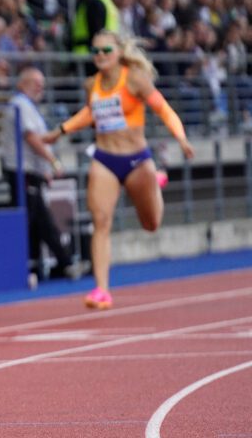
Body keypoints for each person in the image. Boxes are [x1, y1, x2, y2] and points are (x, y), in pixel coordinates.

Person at [43, 30, 194, 309]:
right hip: (105, 159)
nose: (100, 56)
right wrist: (60, 131)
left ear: (119, 53)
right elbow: (90, 113)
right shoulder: (92, 84)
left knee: (151, 224)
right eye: (95, 51)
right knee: (101, 222)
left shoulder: (134, 79)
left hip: (136, 160)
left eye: (106, 51)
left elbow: (163, 109)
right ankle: (101, 290)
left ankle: (155, 181)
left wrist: (181, 138)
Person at [1, 67, 75, 280]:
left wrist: (45, 169)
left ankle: (38, 266)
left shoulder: (28, 106)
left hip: (30, 171)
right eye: (35, 82)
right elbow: (32, 139)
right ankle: (63, 263)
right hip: (23, 172)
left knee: (35, 221)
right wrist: (53, 162)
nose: (40, 87)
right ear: (22, 83)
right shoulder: (20, 105)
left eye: (42, 83)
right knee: (36, 220)